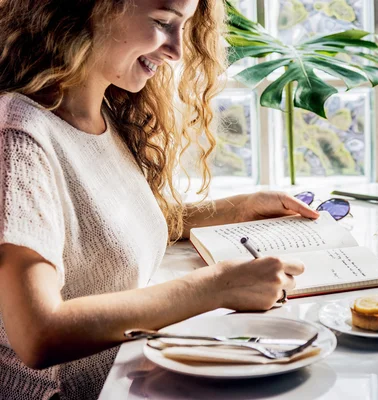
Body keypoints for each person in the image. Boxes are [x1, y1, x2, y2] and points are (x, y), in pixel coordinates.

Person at [0, 0, 319, 399]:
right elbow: (37, 334)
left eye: (183, 26)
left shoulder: (103, 113)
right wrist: (216, 286)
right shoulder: (19, 138)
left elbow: (101, 233)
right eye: (163, 22)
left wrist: (238, 207)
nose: (177, 51)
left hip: (132, 379)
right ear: (86, 10)